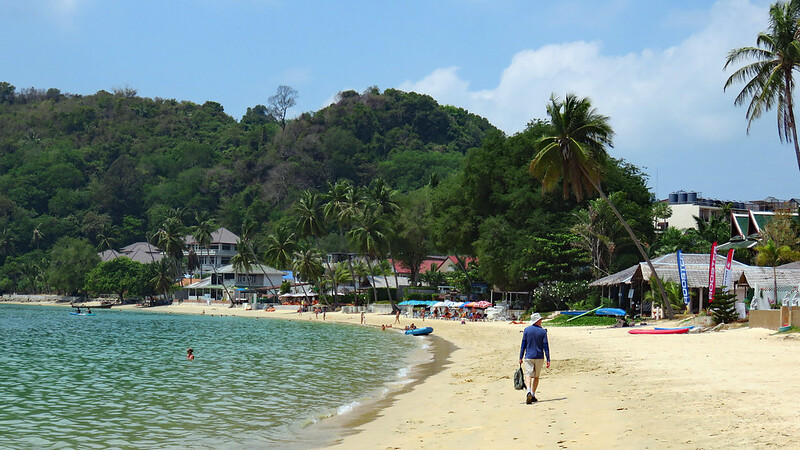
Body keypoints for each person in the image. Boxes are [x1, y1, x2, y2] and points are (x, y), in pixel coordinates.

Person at [518, 312, 550, 404]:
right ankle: (532, 394)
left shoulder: (526, 330)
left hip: (528, 356)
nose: (541, 321)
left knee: (528, 375)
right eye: (540, 319)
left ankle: (528, 391)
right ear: (537, 321)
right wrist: (548, 359)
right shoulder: (543, 332)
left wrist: (520, 357)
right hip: (539, 357)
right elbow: (545, 346)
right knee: (536, 376)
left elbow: (523, 344)